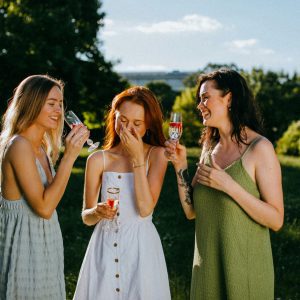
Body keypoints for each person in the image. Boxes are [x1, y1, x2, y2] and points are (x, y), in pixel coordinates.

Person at [165, 68, 284, 300]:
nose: (199, 105)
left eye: (205, 98)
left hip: (244, 275)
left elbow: (276, 219)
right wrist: (180, 166)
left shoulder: (260, 148)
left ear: (228, 98)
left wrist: (230, 186)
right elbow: (191, 212)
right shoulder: (209, 148)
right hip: (206, 273)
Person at [73, 86, 171, 300]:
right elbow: (86, 217)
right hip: (104, 248)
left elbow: (145, 209)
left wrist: (137, 158)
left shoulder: (158, 155)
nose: (127, 128)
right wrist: (96, 212)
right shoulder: (98, 160)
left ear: (148, 126)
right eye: (123, 120)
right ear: (114, 117)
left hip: (141, 250)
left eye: (137, 124)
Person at [0, 75, 89, 299]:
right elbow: (43, 207)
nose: (58, 110)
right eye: (51, 103)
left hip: (45, 243)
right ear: (31, 103)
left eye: (60, 104)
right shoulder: (19, 146)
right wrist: (70, 157)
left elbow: (52, 199)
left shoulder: (40, 147)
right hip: (24, 249)